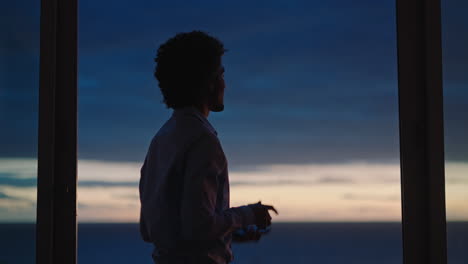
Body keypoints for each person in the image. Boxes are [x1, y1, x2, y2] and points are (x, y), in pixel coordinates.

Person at [139, 31, 278, 264]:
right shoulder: (203, 141)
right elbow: (198, 227)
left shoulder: (161, 139)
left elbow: (150, 229)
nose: (225, 83)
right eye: (220, 75)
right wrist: (248, 214)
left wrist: (229, 234)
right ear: (208, 82)